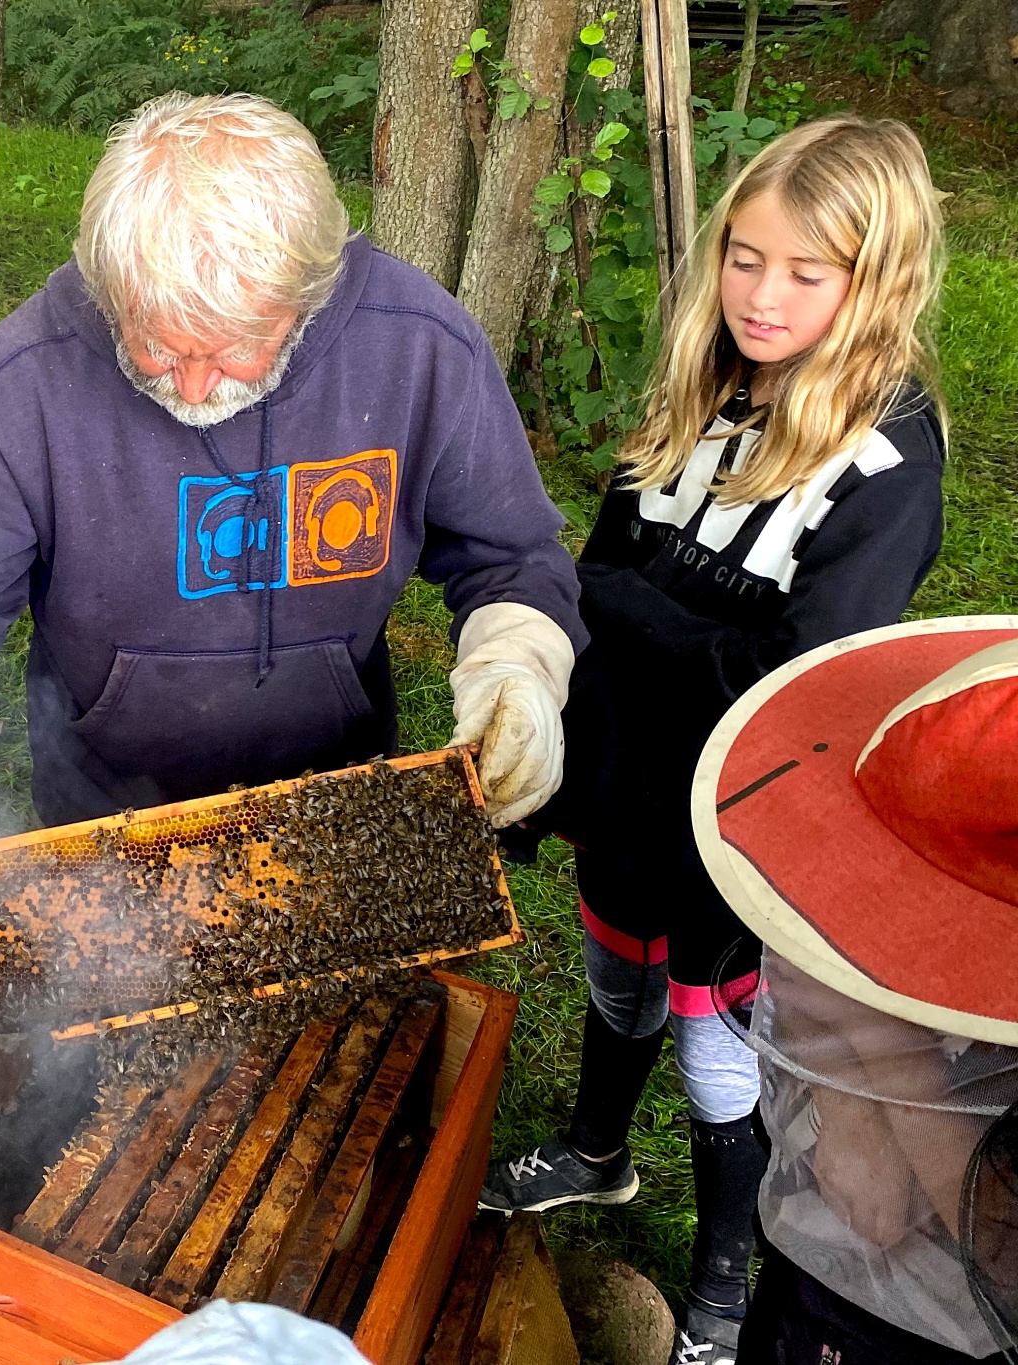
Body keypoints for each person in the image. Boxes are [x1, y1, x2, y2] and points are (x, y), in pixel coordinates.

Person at [0, 93, 583, 915]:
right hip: (103, 818)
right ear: (107, 288)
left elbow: (511, 556)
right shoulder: (24, 380)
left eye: (233, 350)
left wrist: (519, 673)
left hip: (335, 806)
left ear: (308, 295)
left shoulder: (419, 346)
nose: (189, 388)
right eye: (156, 344)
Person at [475, 116, 948, 1365]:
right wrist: (555, 741)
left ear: (875, 279)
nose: (760, 297)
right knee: (616, 969)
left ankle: (727, 1279)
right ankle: (595, 1151)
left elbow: (795, 678)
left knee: (712, 1039)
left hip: (741, 815)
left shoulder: (885, 464)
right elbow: (599, 562)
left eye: (804, 273)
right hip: (627, 774)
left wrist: (628, 609)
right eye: (743, 258)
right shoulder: (710, 384)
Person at [688, 616, 1018, 1362]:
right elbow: (812, 952)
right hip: (815, 1280)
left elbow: (1000, 1255)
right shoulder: (924, 809)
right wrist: (847, 1105)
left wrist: (890, 1061)